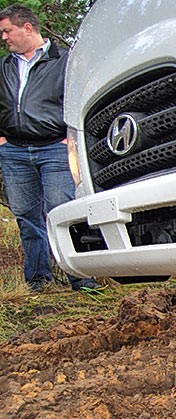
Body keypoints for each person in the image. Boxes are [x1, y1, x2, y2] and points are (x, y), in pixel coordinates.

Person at [0, 4, 101, 293]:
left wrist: (71, 136)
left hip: (54, 148)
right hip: (14, 152)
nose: (4, 37)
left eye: (7, 31)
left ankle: (81, 277)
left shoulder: (66, 61)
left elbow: (80, 98)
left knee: (64, 211)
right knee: (26, 216)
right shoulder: (5, 67)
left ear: (27, 28)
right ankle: (37, 279)